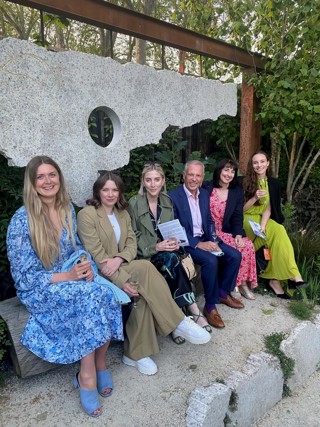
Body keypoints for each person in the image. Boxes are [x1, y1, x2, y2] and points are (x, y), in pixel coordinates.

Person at [6, 156, 124, 418]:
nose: (48, 181)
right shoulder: (21, 221)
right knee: (89, 297)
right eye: (41, 176)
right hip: (41, 287)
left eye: (52, 175)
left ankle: (101, 362)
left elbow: (77, 249)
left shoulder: (66, 209)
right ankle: (87, 374)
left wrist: (84, 265)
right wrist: (69, 276)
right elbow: (24, 278)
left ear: (59, 178)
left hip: (69, 274)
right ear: (32, 183)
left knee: (106, 292)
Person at [77, 171, 210, 376]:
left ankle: (147, 345)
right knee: (138, 286)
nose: (111, 194)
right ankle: (139, 351)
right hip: (99, 273)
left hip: (121, 263)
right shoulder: (87, 214)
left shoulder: (122, 212)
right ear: (98, 191)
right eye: (106, 190)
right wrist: (122, 281)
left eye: (115, 190)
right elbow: (96, 254)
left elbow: (132, 244)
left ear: (120, 192)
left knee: (145, 271)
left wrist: (120, 259)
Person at [127, 162, 212, 344]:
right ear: (143, 181)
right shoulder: (134, 204)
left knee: (172, 260)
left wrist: (175, 241)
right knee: (171, 262)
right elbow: (132, 235)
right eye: (148, 180)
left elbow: (171, 228)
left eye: (157, 179)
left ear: (163, 181)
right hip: (146, 254)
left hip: (166, 251)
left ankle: (178, 321)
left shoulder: (166, 201)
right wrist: (155, 247)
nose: (153, 184)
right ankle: (192, 312)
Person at [169, 160, 243, 330]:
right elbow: (175, 229)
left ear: (202, 179)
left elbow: (209, 221)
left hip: (206, 238)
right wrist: (198, 244)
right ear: (184, 176)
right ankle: (210, 307)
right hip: (187, 243)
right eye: (191, 174)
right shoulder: (173, 197)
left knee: (234, 255)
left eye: (198, 175)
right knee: (211, 261)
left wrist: (215, 240)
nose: (194, 179)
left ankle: (223, 292)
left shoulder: (203, 194)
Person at [242, 150, 307, 298]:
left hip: (262, 219)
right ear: (252, 165)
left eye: (262, 161)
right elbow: (240, 209)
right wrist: (253, 198)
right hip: (246, 218)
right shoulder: (244, 181)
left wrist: (264, 226)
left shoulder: (273, 183)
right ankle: (275, 281)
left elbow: (269, 208)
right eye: (255, 162)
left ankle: (293, 276)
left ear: (268, 163)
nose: (259, 165)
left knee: (279, 230)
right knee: (270, 238)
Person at [202, 159, 257, 300]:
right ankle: (234, 285)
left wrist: (238, 234)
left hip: (227, 231)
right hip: (210, 232)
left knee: (247, 244)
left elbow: (238, 216)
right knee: (236, 250)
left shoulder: (236, 192)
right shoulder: (206, 188)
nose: (229, 174)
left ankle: (243, 283)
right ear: (219, 170)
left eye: (233, 171)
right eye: (226, 170)